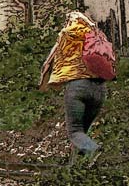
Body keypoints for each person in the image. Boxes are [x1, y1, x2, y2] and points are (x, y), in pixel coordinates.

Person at [40, 11, 107, 160]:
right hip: (100, 89)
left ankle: (94, 149)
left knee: (75, 132)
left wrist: (43, 85)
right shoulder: (97, 36)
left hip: (78, 87)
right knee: (82, 133)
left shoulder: (66, 35)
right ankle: (78, 169)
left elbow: (47, 64)